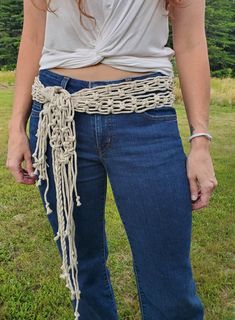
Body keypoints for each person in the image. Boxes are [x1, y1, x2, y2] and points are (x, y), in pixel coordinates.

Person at [6, 0, 218, 319]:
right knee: (81, 267)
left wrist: (200, 140)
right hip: (59, 116)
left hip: (144, 113)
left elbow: (190, 41)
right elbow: (33, 37)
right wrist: (15, 128)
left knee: (169, 284)